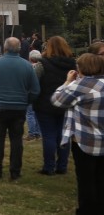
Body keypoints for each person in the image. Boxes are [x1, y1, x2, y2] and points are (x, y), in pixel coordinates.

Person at [0, 37, 40, 180]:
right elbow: (36, 90)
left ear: (4, 48)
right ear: (19, 49)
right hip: (18, 108)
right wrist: (26, 101)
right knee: (16, 139)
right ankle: (15, 171)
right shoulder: (27, 66)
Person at [51, 53, 104, 215]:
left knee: (85, 180)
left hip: (84, 140)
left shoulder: (79, 86)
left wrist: (67, 81)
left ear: (80, 68)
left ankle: (87, 210)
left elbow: (57, 100)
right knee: (101, 178)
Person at [33, 35, 76, 175]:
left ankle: (49, 166)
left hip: (46, 104)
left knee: (49, 136)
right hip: (66, 103)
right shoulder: (74, 64)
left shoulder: (42, 64)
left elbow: (35, 83)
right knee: (64, 136)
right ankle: (62, 166)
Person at [25, 50, 43, 141]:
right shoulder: (42, 67)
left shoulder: (28, 67)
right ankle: (38, 133)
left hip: (31, 93)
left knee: (30, 113)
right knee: (37, 113)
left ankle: (32, 133)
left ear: (30, 58)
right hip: (40, 93)